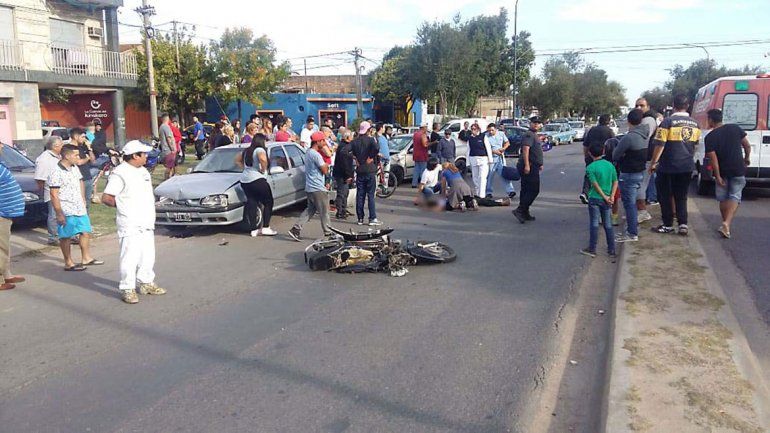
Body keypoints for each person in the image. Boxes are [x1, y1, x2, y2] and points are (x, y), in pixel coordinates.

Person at [101, 140, 166, 305]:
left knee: (148, 255)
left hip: (146, 220)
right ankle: (127, 288)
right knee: (130, 256)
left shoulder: (143, 171)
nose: (146, 157)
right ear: (135, 156)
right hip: (130, 222)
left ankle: (146, 282)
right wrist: (125, 207)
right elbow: (107, 198)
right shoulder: (120, 173)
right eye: (143, 154)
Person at [649, 94, 701, 236]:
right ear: (688, 106)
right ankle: (683, 224)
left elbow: (660, 145)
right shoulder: (696, 124)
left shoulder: (667, 122)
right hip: (686, 165)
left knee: (665, 196)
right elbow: (695, 146)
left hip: (667, 166)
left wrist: (653, 163)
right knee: (681, 196)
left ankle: (667, 225)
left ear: (673, 105)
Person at [48, 145, 102, 271]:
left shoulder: (74, 167)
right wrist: (59, 213)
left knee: (85, 231)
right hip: (66, 208)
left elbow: (80, 181)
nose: (78, 158)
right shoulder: (56, 171)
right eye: (76, 155)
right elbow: (54, 194)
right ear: (67, 156)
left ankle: (86, 258)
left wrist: (83, 198)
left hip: (78, 206)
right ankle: (69, 262)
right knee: (66, 236)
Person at [704, 108, 751, 239]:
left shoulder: (710, 137)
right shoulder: (735, 128)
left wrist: (717, 176)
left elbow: (714, 160)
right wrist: (746, 158)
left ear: (711, 120)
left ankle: (725, 224)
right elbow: (747, 145)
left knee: (723, 198)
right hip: (738, 168)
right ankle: (727, 224)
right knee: (735, 196)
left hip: (723, 171)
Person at [612, 108, 649, 243]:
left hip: (628, 173)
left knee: (629, 204)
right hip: (640, 172)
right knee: (631, 203)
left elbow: (616, 154)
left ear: (628, 121)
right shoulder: (645, 134)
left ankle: (632, 233)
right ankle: (631, 229)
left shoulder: (629, 137)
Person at [288, 131, 331, 241]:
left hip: (310, 186)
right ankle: (328, 233)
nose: (325, 143)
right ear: (318, 142)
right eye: (323, 141)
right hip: (317, 187)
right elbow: (325, 170)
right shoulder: (315, 155)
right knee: (324, 211)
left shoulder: (308, 152)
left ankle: (296, 229)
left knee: (310, 210)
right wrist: (327, 164)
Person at [235, 133, 276, 237]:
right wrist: (263, 169)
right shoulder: (259, 150)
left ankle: (254, 229)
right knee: (268, 201)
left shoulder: (246, 151)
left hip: (245, 180)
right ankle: (266, 227)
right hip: (257, 179)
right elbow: (263, 159)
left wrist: (244, 168)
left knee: (252, 201)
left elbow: (237, 160)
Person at [580, 143, 618, 258]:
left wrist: (604, 196)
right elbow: (615, 181)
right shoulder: (610, 165)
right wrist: (611, 196)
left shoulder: (590, 167)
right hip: (607, 198)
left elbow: (594, 184)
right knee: (608, 224)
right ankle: (611, 250)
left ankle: (592, 248)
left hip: (595, 198)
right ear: (603, 152)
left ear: (590, 153)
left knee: (594, 223)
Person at [0, 140, 26, 290]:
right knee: (0, 247)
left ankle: (7, 274)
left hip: (6, 213)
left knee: (4, 246)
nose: (2, 146)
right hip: (1, 213)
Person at [512, 116, 544, 223]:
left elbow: (536, 151)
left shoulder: (534, 135)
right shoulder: (529, 134)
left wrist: (540, 163)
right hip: (529, 165)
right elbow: (525, 150)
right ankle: (520, 210)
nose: (536, 124)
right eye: (534, 122)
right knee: (534, 189)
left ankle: (525, 212)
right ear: (530, 123)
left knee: (525, 189)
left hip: (533, 165)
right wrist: (527, 165)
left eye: (538, 123)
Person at [351, 121, 382, 226]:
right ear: (368, 130)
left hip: (360, 170)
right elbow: (377, 148)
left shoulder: (355, 142)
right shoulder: (371, 140)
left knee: (360, 195)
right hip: (370, 170)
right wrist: (371, 157)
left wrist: (355, 158)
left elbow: (347, 151)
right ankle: (372, 218)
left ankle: (360, 218)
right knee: (370, 195)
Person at [580, 114, 615, 204]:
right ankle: (605, 194)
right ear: (608, 121)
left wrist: (586, 156)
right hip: (605, 157)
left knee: (589, 174)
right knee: (605, 176)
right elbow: (613, 145)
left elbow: (585, 144)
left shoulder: (592, 130)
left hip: (591, 155)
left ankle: (585, 192)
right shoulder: (609, 131)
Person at [35, 136, 63, 245]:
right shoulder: (44, 159)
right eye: (61, 145)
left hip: (63, 192)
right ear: (55, 146)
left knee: (64, 214)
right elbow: (39, 179)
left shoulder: (58, 156)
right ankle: (53, 237)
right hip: (52, 192)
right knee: (54, 215)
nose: (62, 146)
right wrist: (43, 192)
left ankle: (65, 235)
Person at [634, 98, 658, 223]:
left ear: (648, 106)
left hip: (647, 158)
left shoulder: (648, 120)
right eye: (637, 105)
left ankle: (642, 212)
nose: (639, 108)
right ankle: (638, 211)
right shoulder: (645, 119)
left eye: (642, 105)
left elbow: (642, 137)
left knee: (640, 186)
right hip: (646, 157)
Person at [484, 123, 516, 199]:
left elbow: (507, 143)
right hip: (491, 159)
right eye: (489, 130)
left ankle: (510, 191)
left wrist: (503, 148)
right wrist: (494, 151)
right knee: (490, 176)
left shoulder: (501, 134)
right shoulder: (486, 136)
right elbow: (485, 148)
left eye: (492, 130)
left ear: (496, 129)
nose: (491, 132)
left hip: (500, 158)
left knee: (504, 174)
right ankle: (488, 192)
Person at [69, 127, 96, 209]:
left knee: (87, 203)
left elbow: (93, 160)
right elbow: (78, 162)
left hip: (87, 177)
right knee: (80, 202)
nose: (84, 139)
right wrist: (86, 158)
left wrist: (89, 149)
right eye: (83, 137)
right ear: (76, 136)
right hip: (79, 179)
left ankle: (86, 220)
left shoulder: (83, 147)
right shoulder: (68, 148)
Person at [333, 130, 355, 220]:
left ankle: (343, 209)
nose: (352, 138)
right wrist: (348, 175)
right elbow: (344, 163)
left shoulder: (344, 146)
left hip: (342, 173)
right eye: (351, 136)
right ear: (347, 137)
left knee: (345, 192)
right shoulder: (344, 148)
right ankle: (340, 211)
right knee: (342, 193)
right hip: (342, 174)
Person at [467, 122, 493, 199]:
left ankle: (481, 195)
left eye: (474, 129)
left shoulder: (483, 137)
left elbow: (488, 148)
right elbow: (468, 150)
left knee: (482, 177)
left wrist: (490, 159)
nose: (473, 131)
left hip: (483, 159)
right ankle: (477, 193)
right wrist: (468, 163)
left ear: (478, 129)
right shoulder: (470, 138)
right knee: (475, 178)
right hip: (473, 159)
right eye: (471, 129)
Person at [158, 114, 177, 180]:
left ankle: (171, 179)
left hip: (165, 149)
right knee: (169, 167)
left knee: (171, 167)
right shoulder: (166, 127)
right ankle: (166, 180)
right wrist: (172, 148)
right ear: (167, 119)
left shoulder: (161, 127)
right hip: (168, 150)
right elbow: (169, 138)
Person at [375, 123, 390, 190]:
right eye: (384, 127)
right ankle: (377, 188)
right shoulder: (375, 138)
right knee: (378, 174)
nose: (384, 129)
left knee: (386, 175)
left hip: (387, 158)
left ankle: (385, 188)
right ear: (381, 128)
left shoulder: (384, 137)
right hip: (380, 159)